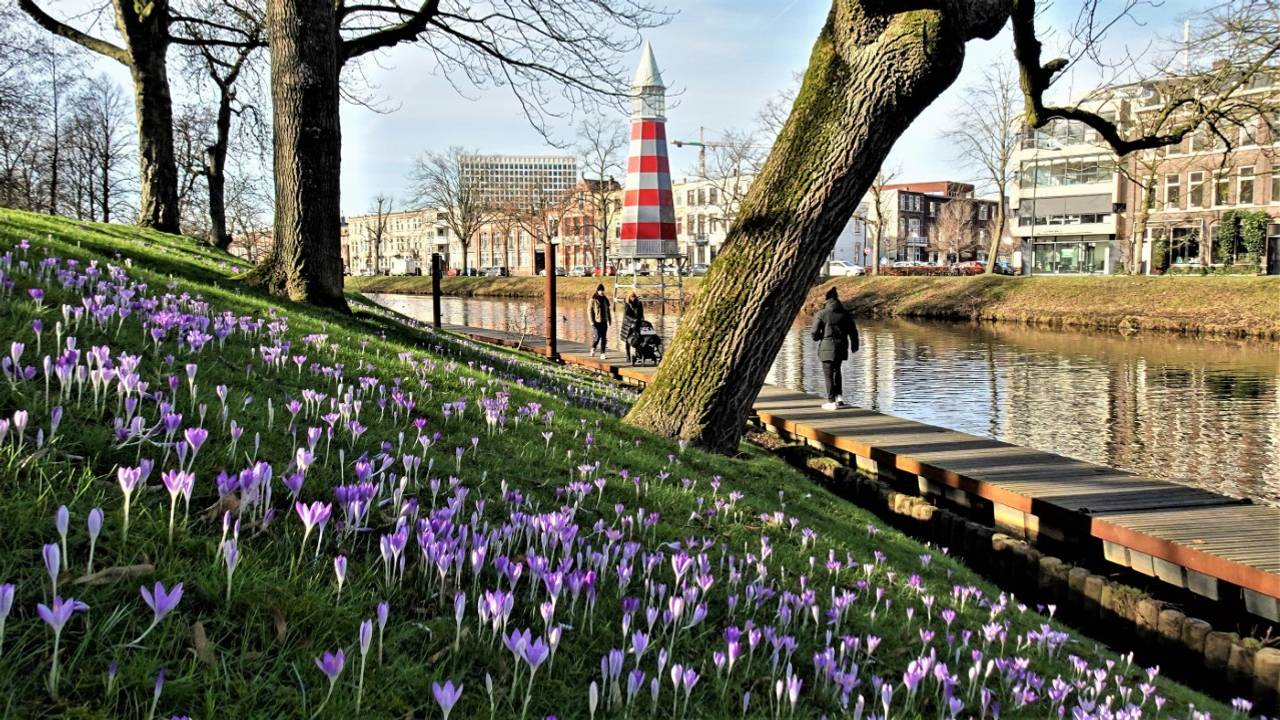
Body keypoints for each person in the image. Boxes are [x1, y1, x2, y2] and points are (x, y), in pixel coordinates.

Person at [810, 285, 859, 410]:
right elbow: (853, 332)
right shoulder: (845, 314)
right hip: (841, 346)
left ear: (827, 300)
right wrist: (855, 345)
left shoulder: (821, 314)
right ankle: (839, 399)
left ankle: (831, 402)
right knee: (837, 371)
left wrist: (819, 337)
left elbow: (814, 332)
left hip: (826, 347)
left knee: (828, 374)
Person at [619, 291, 644, 364]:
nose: (633, 298)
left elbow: (641, 313)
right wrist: (633, 320)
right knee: (627, 340)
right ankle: (628, 355)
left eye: (634, 297)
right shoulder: (627, 304)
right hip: (628, 324)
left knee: (638, 339)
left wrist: (642, 321)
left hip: (637, 323)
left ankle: (638, 355)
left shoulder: (639, 303)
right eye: (631, 297)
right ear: (629, 297)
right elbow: (626, 315)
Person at [589, 283, 612, 359]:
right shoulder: (593, 299)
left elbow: (608, 310)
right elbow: (589, 310)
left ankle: (602, 353)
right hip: (596, 321)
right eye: (599, 290)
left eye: (602, 290)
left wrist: (609, 319)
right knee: (597, 337)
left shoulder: (605, 299)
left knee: (604, 338)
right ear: (597, 291)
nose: (601, 292)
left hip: (604, 321)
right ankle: (593, 348)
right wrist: (592, 321)